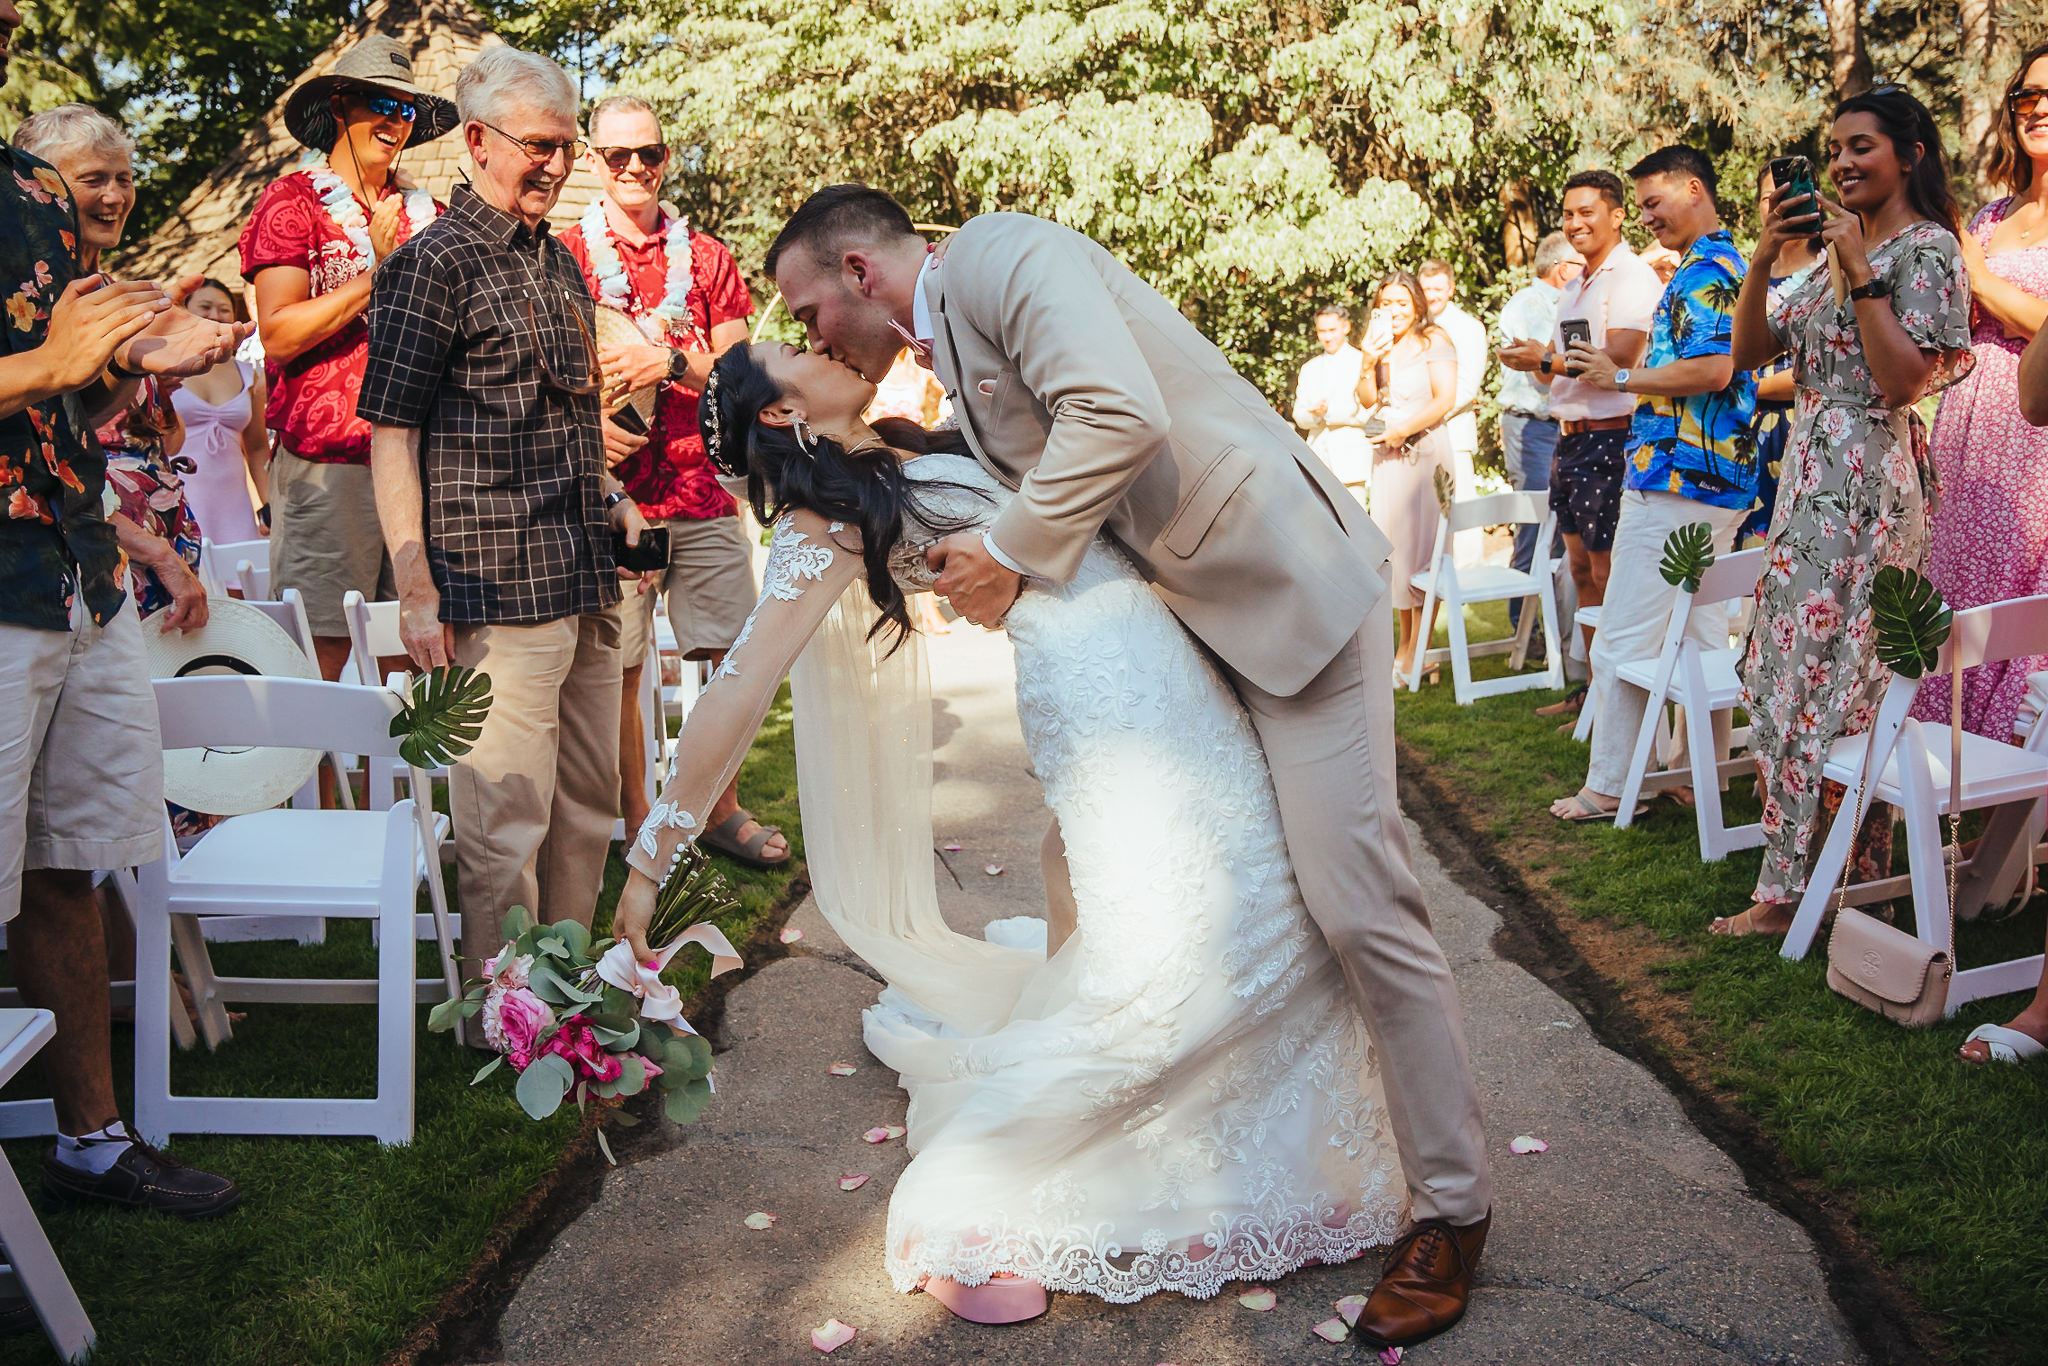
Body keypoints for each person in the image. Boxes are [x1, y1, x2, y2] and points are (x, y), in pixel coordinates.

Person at [624, 186, 1496, 1351]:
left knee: (1350, 897)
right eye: (795, 339)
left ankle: (1452, 1211)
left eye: (798, 310)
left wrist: (999, 552)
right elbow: (741, 683)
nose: (806, 331)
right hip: (1176, 656)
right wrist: (647, 869)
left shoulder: (1001, 256)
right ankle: (1283, 1145)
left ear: (854, 268)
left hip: (1276, 595)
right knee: (1229, 921)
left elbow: (1117, 413)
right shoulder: (887, 447)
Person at [0, 0, 249, 1217]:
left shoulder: (35, 193)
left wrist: (122, 368)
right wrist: (47, 364)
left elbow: (66, 409)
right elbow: (29, 370)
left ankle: (91, 1145)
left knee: (72, 865)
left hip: (78, 573)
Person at [361, 46, 649, 979]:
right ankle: (505, 1018)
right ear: (478, 141)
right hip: (494, 584)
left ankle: (566, 998)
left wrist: (610, 495)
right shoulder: (427, 265)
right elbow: (391, 434)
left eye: (568, 147)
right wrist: (413, 582)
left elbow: (566, 416)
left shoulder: (559, 264)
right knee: (506, 819)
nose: (559, 165)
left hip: (584, 571)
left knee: (587, 805)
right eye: (540, 146)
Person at [1715, 87, 1974, 937]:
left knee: (1845, 685)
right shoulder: (1825, 250)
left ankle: (1826, 884)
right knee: (1785, 672)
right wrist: (1763, 259)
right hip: (1807, 480)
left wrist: (1862, 268)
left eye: (1861, 146)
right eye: (1834, 150)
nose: (1841, 163)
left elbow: (1904, 382)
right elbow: (1750, 356)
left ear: (1911, 154)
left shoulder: (1927, 251)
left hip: (1870, 484)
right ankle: (1806, 877)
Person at [557, 94, 782, 867]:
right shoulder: (566, 256)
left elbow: (746, 375)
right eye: (617, 155)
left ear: (665, 158)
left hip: (703, 486)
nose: (633, 169)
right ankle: (636, 819)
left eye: (647, 153)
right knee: (619, 665)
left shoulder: (709, 257)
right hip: (611, 496)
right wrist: (589, 431)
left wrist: (671, 364)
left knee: (728, 660)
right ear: (593, 161)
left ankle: (716, 806)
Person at [1544, 146, 1758, 821]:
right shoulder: (1713, 264)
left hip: (1680, 477)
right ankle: (1703, 776)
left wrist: (1622, 378)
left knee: (1623, 636)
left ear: (1693, 188)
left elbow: (1715, 370)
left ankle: (1609, 788)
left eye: (1651, 203)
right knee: (1697, 637)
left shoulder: (1709, 269)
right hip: (1702, 477)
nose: (1646, 218)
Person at [239, 35, 455, 678]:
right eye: (380, 103)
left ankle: (393, 785)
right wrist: (380, 273)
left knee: (410, 652)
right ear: (341, 105)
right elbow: (276, 334)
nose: (394, 120)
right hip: (328, 464)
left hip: (423, 461)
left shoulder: (433, 215)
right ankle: (317, 785)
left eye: (407, 109)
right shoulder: (293, 201)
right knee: (322, 651)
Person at [16, 105, 206, 624]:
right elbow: (51, 458)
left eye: (124, 178)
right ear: (39, 186)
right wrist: (156, 553)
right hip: (86, 561)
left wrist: (145, 370)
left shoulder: (118, 295)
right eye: (94, 179)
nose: (115, 196)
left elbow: (151, 436)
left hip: (135, 556)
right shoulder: (27, 301)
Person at [1908, 43, 2048, 741]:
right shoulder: (1992, 216)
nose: (2039, 108)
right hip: (1966, 423)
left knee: (2022, 592)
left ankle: (2015, 775)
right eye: (2026, 97)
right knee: (1956, 583)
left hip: (2037, 431)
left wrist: (1981, 278)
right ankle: (1946, 769)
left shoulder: (1980, 242)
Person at [1500, 170, 1662, 720]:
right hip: (1568, 441)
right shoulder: (1576, 283)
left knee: (1607, 572)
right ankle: (1594, 691)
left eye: (1586, 212)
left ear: (1617, 215)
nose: (1574, 223)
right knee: (1578, 569)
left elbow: (1618, 359)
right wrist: (1536, 357)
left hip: (1611, 439)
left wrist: (1543, 360)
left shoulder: (1632, 276)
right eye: (1568, 214)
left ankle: (1620, 700)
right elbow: (1555, 372)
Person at [1357, 271, 1457, 680]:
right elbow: (1365, 400)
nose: (1394, 311)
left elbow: (1445, 399)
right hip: (1388, 460)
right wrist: (1366, 361)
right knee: (1396, 553)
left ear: (1416, 303)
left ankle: (1421, 650)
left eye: (1402, 302)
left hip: (1426, 455)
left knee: (1425, 552)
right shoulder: (1380, 346)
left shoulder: (1435, 340)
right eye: (1386, 303)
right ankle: (1405, 645)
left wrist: (1403, 429)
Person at [1495, 231, 1583, 628]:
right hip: (1532, 429)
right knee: (1534, 522)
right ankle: (1524, 628)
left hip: (1562, 427)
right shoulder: (1528, 306)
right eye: (1581, 265)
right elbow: (1539, 373)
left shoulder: (1570, 301)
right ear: (1564, 269)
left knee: (1564, 525)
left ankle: (1556, 625)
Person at [1738, 163, 1826, 546]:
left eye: (1791, 196)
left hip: (1809, 422)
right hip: (1748, 432)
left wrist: (1748, 388)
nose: (1779, 206)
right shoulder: (1750, 271)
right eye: (1770, 198)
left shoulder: (1831, 264)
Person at [170, 279, 270, 545]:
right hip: (180, 496)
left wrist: (268, 504)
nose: (214, 315)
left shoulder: (249, 375)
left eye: (224, 309)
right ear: (185, 310)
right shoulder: (164, 370)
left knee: (241, 580)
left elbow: (258, 448)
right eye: (205, 306)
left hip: (234, 503)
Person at [1419, 258, 1488, 560]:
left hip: (1453, 430)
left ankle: (1468, 577)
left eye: (1437, 288)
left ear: (1451, 289)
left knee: (1459, 509)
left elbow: (1467, 386)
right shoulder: (1414, 326)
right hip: (1416, 436)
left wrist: (1424, 415)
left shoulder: (1469, 327)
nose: (1431, 294)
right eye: (1426, 288)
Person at [1292, 303, 1372, 494]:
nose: (1327, 337)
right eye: (1322, 331)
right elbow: (1299, 414)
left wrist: (1330, 413)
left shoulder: (1362, 362)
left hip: (1351, 460)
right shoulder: (1310, 368)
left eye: (1332, 330)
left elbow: (1368, 411)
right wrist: (1316, 416)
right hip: (1318, 458)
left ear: (1346, 327)